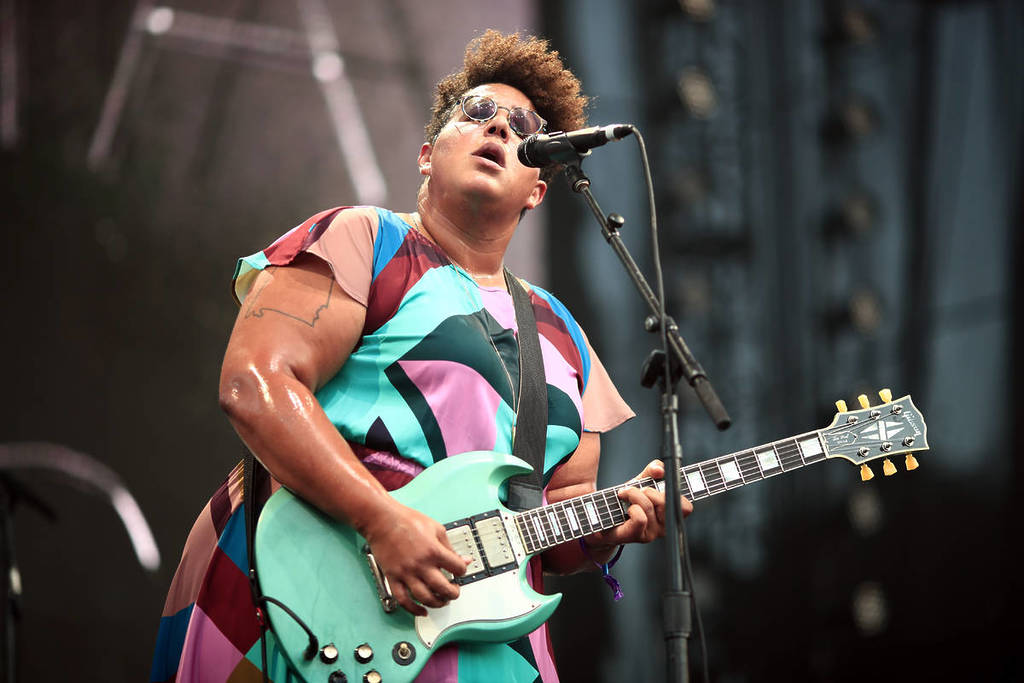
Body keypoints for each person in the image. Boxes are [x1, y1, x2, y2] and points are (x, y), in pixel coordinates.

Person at [150, 30, 693, 683]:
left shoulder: (563, 333)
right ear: (428, 154)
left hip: (486, 648)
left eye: (521, 126)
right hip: (306, 610)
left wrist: (608, 528)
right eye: (476, 113)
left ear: (537, 189)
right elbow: (253, 381)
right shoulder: (367, 240)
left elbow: (552, 526)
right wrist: (380, 517)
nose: (498, 127)